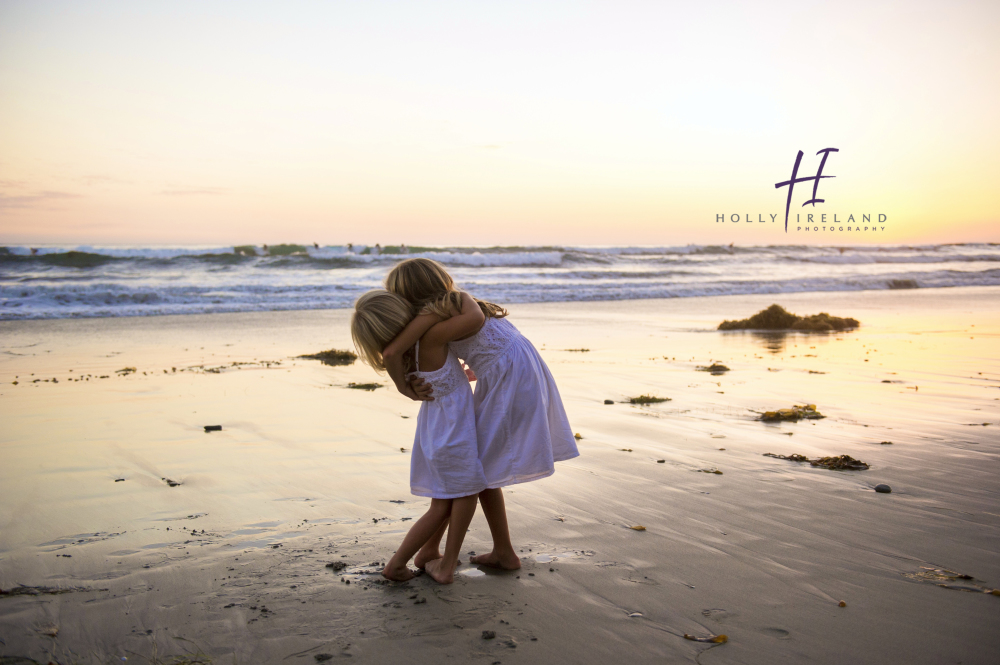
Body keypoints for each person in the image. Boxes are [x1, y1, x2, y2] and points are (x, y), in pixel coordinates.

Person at [382, 258, 579, 572]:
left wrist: (403, 386)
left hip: (512, 379)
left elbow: (470, 324)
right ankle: (492, 551)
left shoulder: (454, 308)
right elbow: (477, 341)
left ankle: (488, 552)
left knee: (478, 473)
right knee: (479, 472)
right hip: (515, 371)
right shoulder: (449, 310)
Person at [351, 289, 488, 583]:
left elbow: (434, 372)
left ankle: (419, 556)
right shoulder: (428, 340)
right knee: (459, 498)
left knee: (441, 505)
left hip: (435, 433)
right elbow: (471, 317)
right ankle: (402, 564)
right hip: (453, 434)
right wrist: (441, 304)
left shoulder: (409, 356)